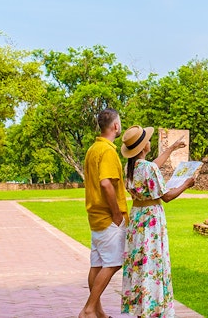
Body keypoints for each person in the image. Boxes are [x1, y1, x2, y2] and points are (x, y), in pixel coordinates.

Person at [119, 125, 195, 318]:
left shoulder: (130, 167)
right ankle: (153, 308)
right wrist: (186, 184)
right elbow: (167, 197)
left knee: (139, 262)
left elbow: (153, 165)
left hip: (137, 216)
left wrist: (171, 148)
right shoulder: (148, 168)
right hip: (151, 219)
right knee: (152, 262)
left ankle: (140, 308)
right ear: (144, 146)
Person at [79, 108, 128, 318]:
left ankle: (97, 311)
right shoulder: (108, 151)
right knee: (114, 262)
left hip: (95, 215)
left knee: (97, 264)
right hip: (108, 218)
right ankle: (89, 309)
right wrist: (117, 214)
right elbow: (106, 184)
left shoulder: (93, 149)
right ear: (115, 126)